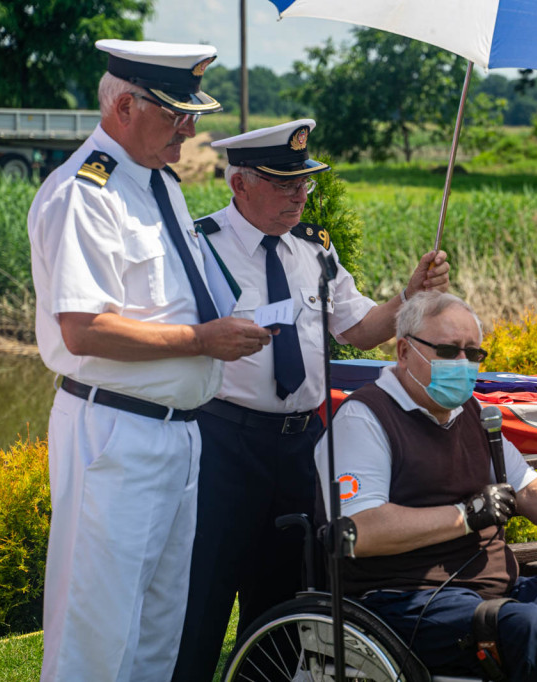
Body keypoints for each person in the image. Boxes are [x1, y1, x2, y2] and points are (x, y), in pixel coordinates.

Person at [27, 40, 274, 682]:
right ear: (126, 107)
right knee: (97, 636)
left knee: (158, 636)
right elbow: (83, 329)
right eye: (175, 114)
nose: (189, 129)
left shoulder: (158, 184)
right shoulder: (87, 194)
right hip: (117, 433)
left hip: (177, 433)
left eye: (191, 114)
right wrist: (202, 342)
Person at [171, 120, 451, 681]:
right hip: (224, 445)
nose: (300, 195)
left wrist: (410, 295)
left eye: (305, 183)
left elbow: (360, 329)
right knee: (200, 602)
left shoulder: (314, 249)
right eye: (285, 184)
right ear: (240, 182)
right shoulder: (201, 247)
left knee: (285, 603)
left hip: (301, 448)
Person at [316, 291, 537, 681]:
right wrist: (465, 516)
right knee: (532, 627)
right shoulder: (364, 419)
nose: (462, 363)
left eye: (472, 353)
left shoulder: (469, 412)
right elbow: (361, 531)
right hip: (404, 601)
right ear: (404, 351)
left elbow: (529, 488)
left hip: (494, 594)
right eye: (448, 351)